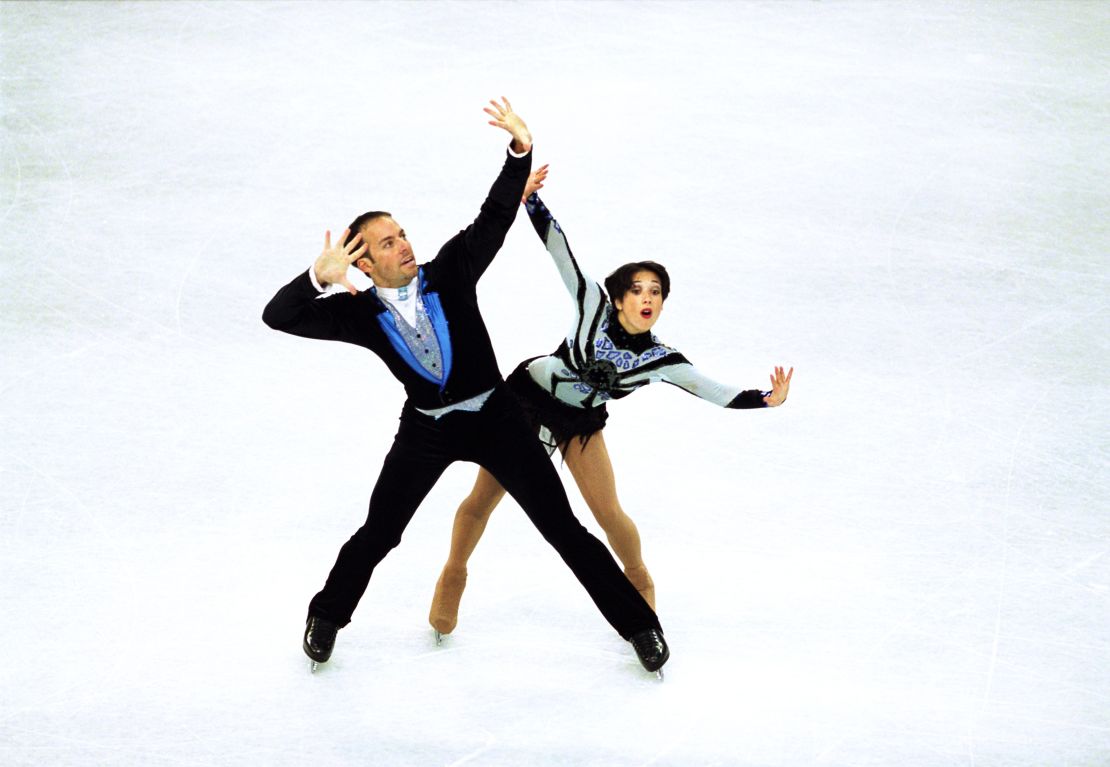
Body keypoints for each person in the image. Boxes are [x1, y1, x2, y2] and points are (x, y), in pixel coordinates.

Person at [262, 99, 668, 674]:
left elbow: (493, 216)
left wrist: (518, 152)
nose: (403, 244)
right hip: (426, 428)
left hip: (499, 419)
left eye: (402, 234)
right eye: (387, 243)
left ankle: (641, 627)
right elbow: (278, 317)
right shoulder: (354, 312)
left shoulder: (450, 270)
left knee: (563, 528)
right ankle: (326, 616)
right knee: (380, 531)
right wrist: (314, 278)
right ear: (365, 264)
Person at [427, 167, 793, 637]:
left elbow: (715, 392)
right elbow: (560, 251)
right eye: (638, 290)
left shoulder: (662, 359)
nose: (647, 298)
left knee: (607, 513)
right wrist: (530, 201)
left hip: (579, 422)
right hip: (521, 402)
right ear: (619, 297)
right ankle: (454, 572)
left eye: (656, 292)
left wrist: (767, 399)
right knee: (483, 499)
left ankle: (638, 581)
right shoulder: (591, 305)